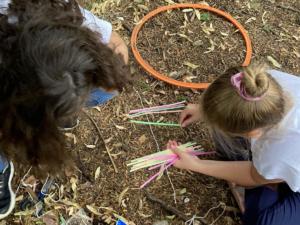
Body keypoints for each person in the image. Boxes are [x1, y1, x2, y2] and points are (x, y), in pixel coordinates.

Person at [0, 0, 130, 219]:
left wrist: (111, 74)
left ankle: (54, 108)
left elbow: (117, 44)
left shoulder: (53, 13)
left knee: (111, 87)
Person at [168, 62, 300, 225]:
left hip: (284, 163)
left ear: (252, 134)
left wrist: (197, 164)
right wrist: (206, 110)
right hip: (283, 161)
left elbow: (252, 176)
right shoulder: (263, 84)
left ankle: (275, 181)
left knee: (264, 221)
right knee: (224, 136)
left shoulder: (279, 151)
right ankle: (274, 178)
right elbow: (237, 100)